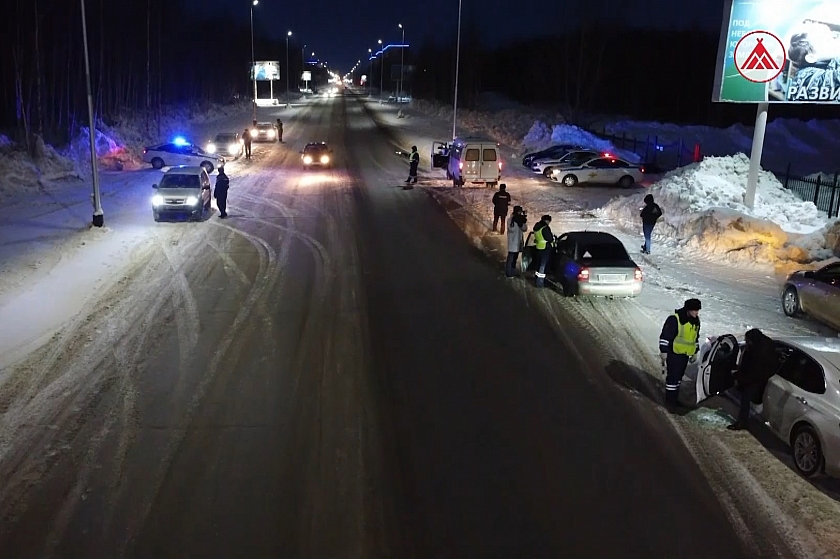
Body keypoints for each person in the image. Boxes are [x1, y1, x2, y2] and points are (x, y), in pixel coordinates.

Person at [728, 328, 778, 431]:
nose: (746, 342)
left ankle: (742, 422)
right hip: (766, 376)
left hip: (755, 378)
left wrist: (739, 378)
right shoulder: (767, 344)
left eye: (747, 340)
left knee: (745, 398)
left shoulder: (755, 352)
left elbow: (751, 370)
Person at [659, 298, 701, 408]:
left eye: (697, 311)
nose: (696, 313)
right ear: (687, 310)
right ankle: (670, 401)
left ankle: (674, 398)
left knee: (678, 378)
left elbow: (695, 337)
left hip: (685, 355)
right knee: (673, 378)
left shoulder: (696, 321)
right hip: (674, 353)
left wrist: (695, 352)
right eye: (694, 310)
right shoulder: (674, 319)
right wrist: (664, 351)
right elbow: (665, 336)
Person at [532, 215, 554, 288]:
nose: (549, 223)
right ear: (546, 220)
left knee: (538, 265)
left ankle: (536, 280)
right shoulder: (545, 228)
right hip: (545, 248)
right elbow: (550, 239)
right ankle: (540, 283)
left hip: (538, 247)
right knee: (542, 266)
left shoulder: (537, 226)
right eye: (549, 221)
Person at [506, 206, 527, 278]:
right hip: (512, 242)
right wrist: (516, 221)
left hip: (518, 242)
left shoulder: (521, 219)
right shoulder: (510, 220)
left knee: (515, 258)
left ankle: (513, 270)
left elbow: (525, 229)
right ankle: (508, 272)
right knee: (511, 258)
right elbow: (511, 229)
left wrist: (521, 222)